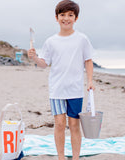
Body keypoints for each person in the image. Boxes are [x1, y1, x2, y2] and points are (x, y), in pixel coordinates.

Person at [28, 0, 95, 159]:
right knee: (59, 124)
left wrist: (90, 80)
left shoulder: (82, 39)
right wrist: (35, 57)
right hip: (57, 90)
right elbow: (44, 64)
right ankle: (60, 157)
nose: (66, 18)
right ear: (56, 17)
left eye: (70, 15)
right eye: (62, 15)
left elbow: (88, 60)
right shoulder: (51, 41)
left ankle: (76, 157)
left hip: (75, 90)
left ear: (76, 18)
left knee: (74, 125)